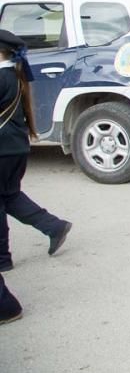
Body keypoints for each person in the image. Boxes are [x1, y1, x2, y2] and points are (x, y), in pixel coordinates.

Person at [0, 30, 73, 275]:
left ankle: (2, 258)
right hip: (14, 148)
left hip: (3, 150)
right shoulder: (13, 74)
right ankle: (53, 226)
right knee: (9, 196)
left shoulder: (2, 77)